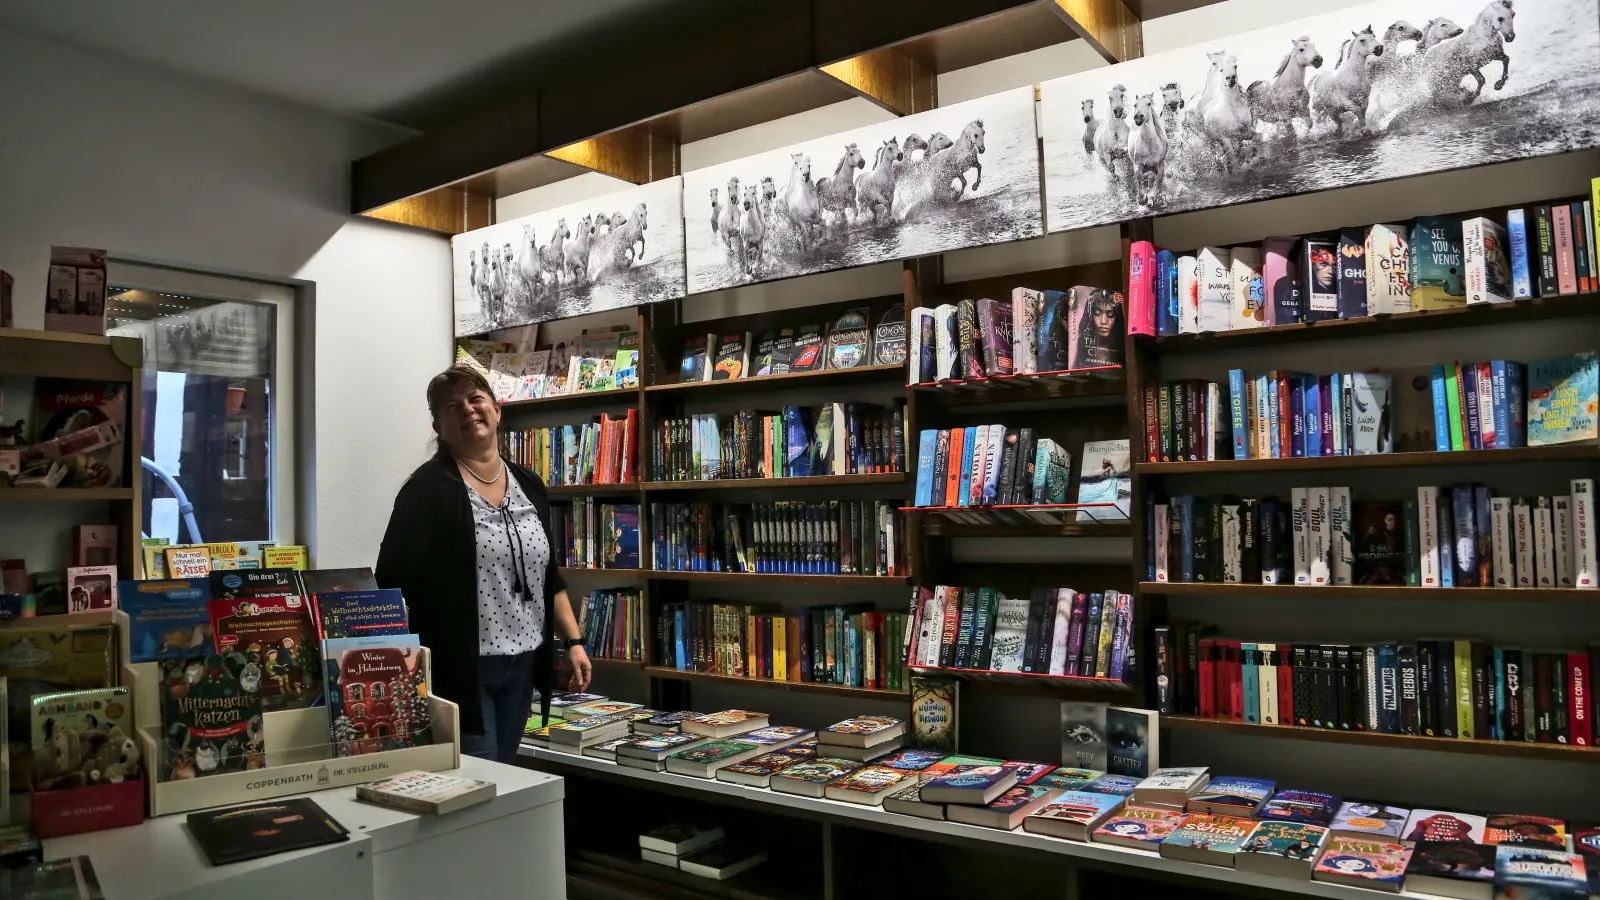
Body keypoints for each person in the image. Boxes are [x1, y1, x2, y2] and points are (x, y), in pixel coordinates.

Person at [377, 365, 591, 763]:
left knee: (505, 771)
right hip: (462, 668)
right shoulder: (426, 491)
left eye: (475, 399)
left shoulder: (529, 484)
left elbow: (548, 574)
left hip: (525, 661)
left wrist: (574, 642)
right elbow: (390, 581)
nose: (467, 410)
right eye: (451, 406)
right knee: (479, 778)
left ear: (496, 409)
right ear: (438, 426)